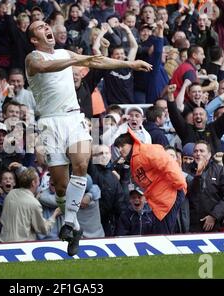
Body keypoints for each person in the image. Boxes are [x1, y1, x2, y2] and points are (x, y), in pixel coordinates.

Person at [25, 20, 152, 256]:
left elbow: (96, 60)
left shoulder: (64, 53)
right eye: (40, 28)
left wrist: (130, 63)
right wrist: (76, 60)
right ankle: (75, 227)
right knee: (61, 186)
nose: (46, 28)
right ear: (34, 39)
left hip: (73, 117)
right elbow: (45, 67)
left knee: (82, 163)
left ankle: (69, 221)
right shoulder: (32, 58)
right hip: (50, 122)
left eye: (46, 25)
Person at [113, 128, 187, 234]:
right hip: (159, 201)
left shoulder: (146, 151)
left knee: (163, 236)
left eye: (122, 146)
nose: (120, 150)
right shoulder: (134, 160)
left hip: (169, 196)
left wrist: (180, 185)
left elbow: (167, 164)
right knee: (159, 234)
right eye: (118, 148)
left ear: (131, 144)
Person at [0, 167, 61, 243]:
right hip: (22, 245)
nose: (39, 184)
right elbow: (43, 229)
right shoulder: (34, 203)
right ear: (33, 183)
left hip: (4, 242)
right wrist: (54, 215)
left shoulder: (11, 193)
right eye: (38, 181)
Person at [187, 141, 224, 233]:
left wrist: (214, 215)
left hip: (214, 224)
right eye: (195, 151)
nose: (198, 153)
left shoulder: (221, 171)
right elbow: (187, 193)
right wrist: (197, 176)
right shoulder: (186, 169)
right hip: (190, 223)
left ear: (209, 155)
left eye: (202, 151)